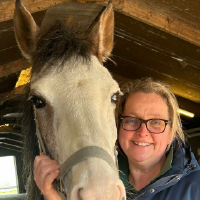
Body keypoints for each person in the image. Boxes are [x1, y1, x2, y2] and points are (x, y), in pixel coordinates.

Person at [34, 78, 200, 200]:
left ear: (171, 132)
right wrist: (51, 195)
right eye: (132, 120)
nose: (142, 132)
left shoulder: (195, 188)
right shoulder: (95, 180)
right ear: (118, 127)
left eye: (156, 122)